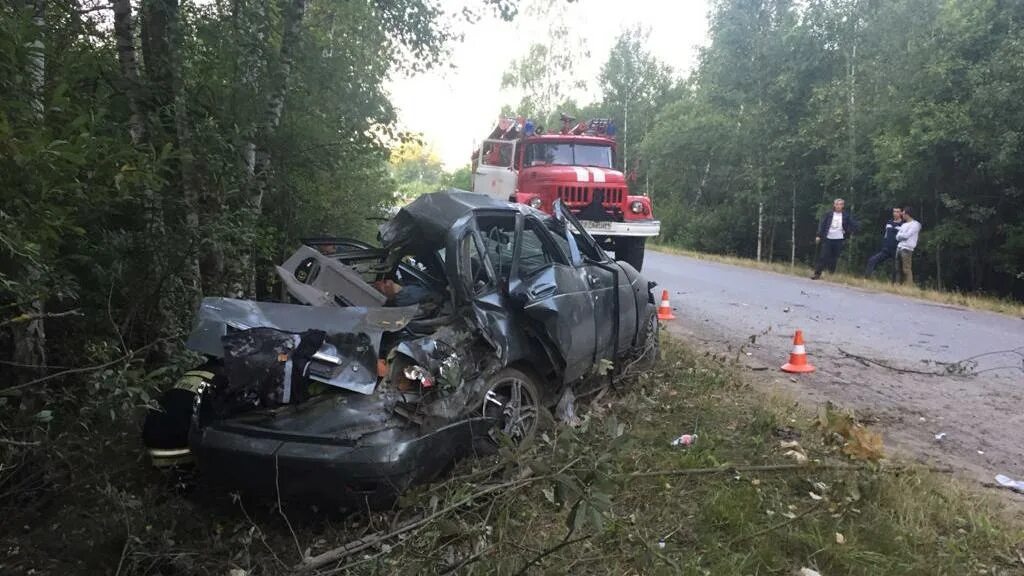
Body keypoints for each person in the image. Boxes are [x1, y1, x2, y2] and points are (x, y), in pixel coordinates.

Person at [812, 198, 859, 280]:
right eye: (837, 204)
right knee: (823, 256)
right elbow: (822, 225)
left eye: (840, 204)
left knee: (834, 258)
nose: (838, 206)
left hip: (839, 239)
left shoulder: (846, 216)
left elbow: (854, 225)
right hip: (828, 238)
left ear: (843, 206)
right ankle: (817, 274)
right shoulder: (829, 214)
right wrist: (818, 235)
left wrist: (847, 231)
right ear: (834, 205)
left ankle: (831, 274)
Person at [864, 207, 903, 280]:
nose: (895, 213)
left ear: (901, 213)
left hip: (896, 250)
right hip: (886, 249)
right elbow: (886, 235)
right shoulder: (889, 223)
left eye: (897, 212)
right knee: (872, 260)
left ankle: (895, 285)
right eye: (894, 211)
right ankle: (867, 279)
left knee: (896, 268)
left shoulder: (903, 225)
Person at [895, 206, 922, 285]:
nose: (902, 215)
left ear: (907, 214)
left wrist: (901, 235)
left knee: (906, 269)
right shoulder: (903, 225)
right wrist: (902, 235)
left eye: (903, 214)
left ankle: (909, 286)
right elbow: (897, 237)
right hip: (899, 247)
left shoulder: (916, 224)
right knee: (898, 269)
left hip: (907, 249)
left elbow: (907, 235)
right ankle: (897, 285)